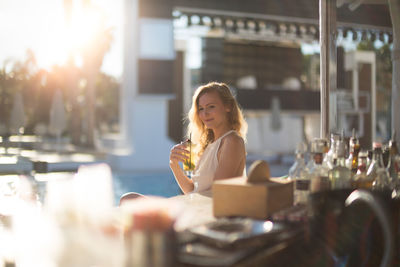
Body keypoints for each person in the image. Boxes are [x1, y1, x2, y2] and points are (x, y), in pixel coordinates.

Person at [169, 82, 248, 194]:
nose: (205, 114)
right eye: (201, 108)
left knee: (135, 198)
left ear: (228, 106)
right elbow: (192, 190)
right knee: (134, 197)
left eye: (211, 106)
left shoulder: (232, 141)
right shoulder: (208, 145)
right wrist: (174, 165)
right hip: (198, 207)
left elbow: (217, 193)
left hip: (211, 210)